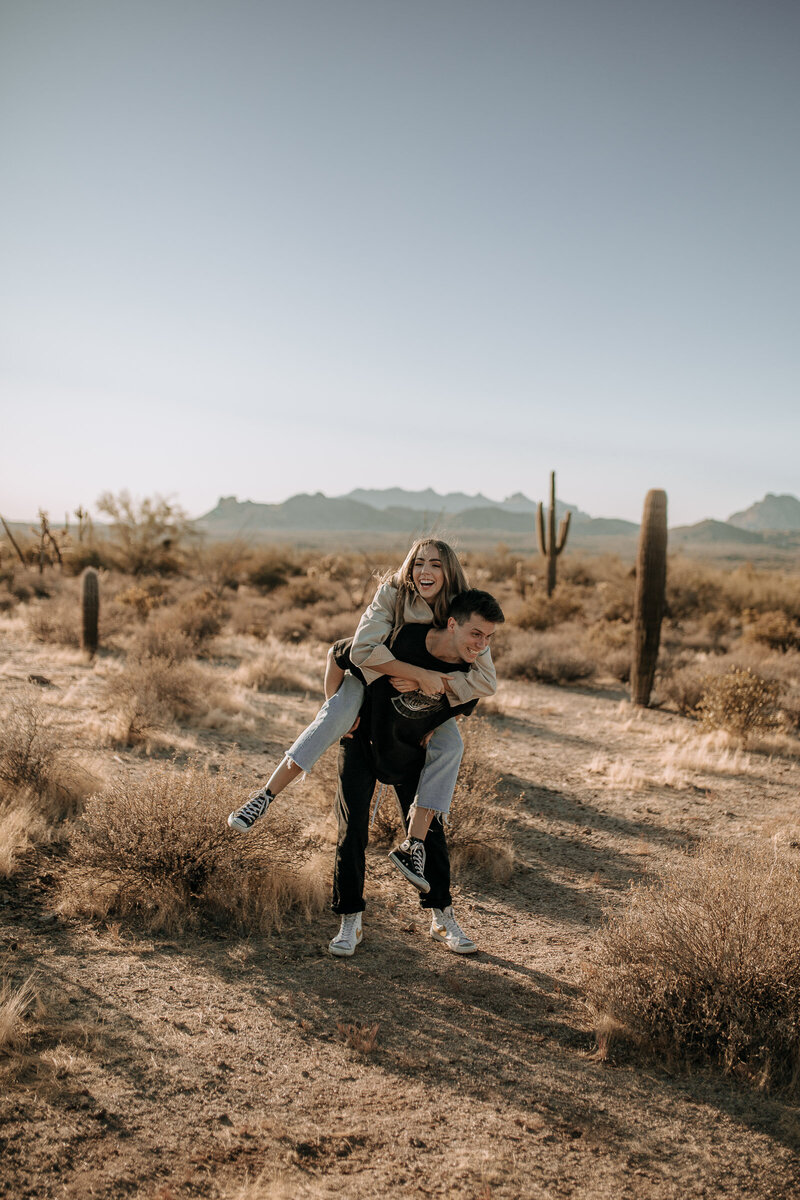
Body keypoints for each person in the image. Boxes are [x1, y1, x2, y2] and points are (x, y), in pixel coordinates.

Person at [227, 539, 496, 832]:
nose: (424, 571)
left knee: (451, 745)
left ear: (450, 571)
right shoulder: (394, 593)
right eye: (418, 563)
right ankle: (264, 796)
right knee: (335, 715)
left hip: (420, 694)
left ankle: (416, 842)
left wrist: (436, 692)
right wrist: (417, 674)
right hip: (370, 676)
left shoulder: (465, 608)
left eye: (435, 564)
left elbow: (484, 680)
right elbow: (359, 651)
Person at [327, 589, 505, 958]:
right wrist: (336, 713)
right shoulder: (397, 640)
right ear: (452, 624)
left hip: (410, 751)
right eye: (476, 634)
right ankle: (350, 919)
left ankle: (442, 917)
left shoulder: (466, 674)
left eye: (488, 638)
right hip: (362, 742)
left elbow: (454, 708)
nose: (481, 645)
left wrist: (430, 726)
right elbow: (341, 652)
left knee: (431, 826)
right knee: (353, 829)